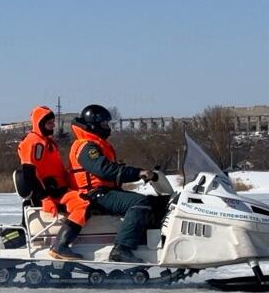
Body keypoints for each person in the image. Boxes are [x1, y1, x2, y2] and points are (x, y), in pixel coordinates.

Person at [62, 104, 161, 263]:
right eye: (104, 124)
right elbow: (104, 170)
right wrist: (137, 173)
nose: (107, 128)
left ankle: (145, 239)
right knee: (139, 202)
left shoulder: (95, 143)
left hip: (104, 191)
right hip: (94, 194)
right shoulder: (86, 146)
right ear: (93, 124)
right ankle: (122, 249)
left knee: (155, 202)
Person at [16, 106, 81, 259]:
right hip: (51, 194)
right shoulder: (34, 142)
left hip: (59, 190)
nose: (53, 125)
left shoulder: (47, 142)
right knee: (83, 204)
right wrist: (44, 198)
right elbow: (29, 174)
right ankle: (61, 246)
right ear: (39, 123)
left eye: (53, 122)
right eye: (49, 123)